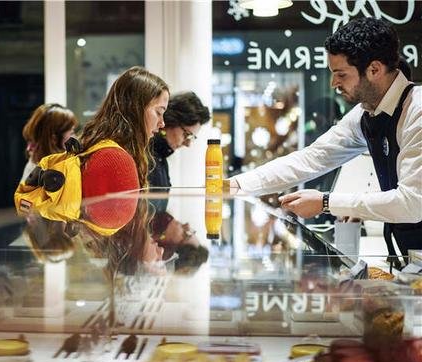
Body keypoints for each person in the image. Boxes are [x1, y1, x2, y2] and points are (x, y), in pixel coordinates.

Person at [229, 17, 421, 263]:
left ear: (374, 69)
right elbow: (313, 158)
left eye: (341, 74)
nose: (333, 84)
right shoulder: (366, 114)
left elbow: (413, 203)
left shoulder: (417, 112)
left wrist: (326, 202)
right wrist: (236, 185)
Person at [79, 66, 169, 187]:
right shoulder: (116, 159)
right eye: (158, 112)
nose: (162, 123)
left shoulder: (101, 148)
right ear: (136, 108)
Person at [148, 91, 211, 188]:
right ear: (171, 120)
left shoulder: (161, 156)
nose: (188, 143)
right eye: (186, 134)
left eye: (191, 137)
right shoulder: (145, 154)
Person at [21, 103, 78, 183]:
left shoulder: (34, 165)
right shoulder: (56, 174)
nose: (76, 137)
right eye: (72, 133)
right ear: (53, 139)